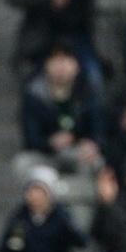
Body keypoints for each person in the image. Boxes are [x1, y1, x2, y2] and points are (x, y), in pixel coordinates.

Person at [0, 168, 88, 252]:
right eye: (32, 190)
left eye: (40, 191)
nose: (35, 196)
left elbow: (81, 242)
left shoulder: (62, 216)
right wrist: (13, 245)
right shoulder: (19, 219)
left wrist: (64, 223)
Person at [18, 44, 108, 177]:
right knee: (23, 163)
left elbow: (99, 130)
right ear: (46, 65)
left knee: (96, 163)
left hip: (79, 152)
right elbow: (30, 138)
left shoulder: (88, 93)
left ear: (77, 66)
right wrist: (50, 142)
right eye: (55, 60)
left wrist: (91, 144)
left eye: (66, 60)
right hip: (47, 155)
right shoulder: (34, 95)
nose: (61, 66)